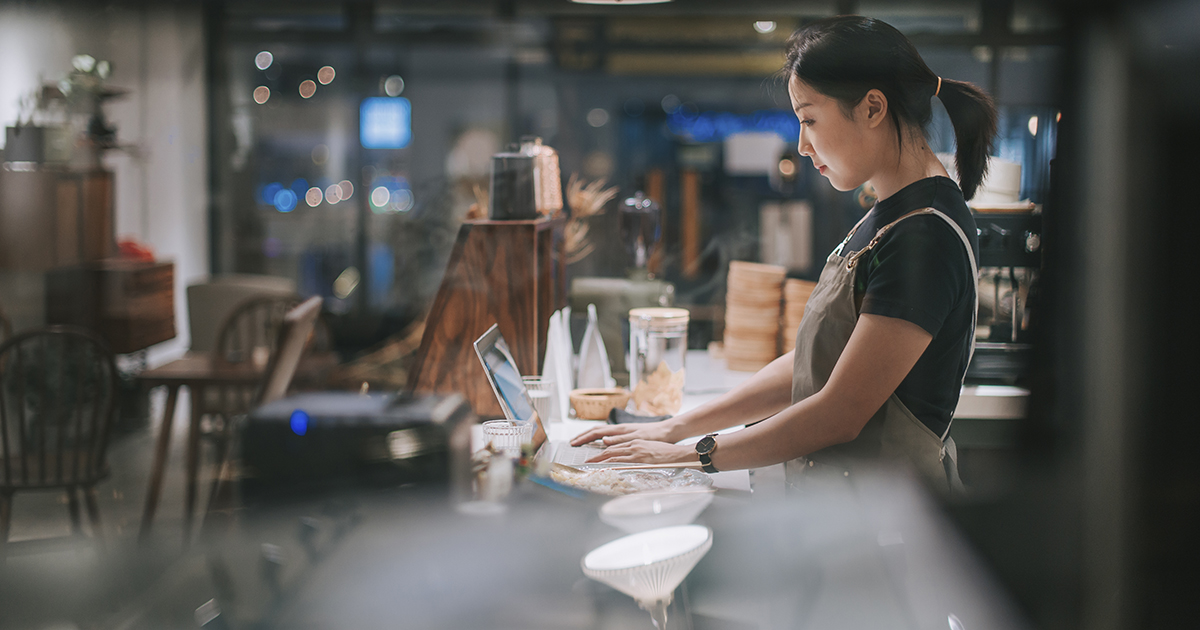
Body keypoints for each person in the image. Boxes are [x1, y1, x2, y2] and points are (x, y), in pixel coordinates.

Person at [571, 15, 997, 492]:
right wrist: (673, 427)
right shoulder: (890, 213)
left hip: (890, 522)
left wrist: (690, 454)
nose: (801, 144)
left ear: (873, 107)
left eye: (810, 119)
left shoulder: (925, 235)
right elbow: (812, 363)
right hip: (845, 510)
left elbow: (840, 413)